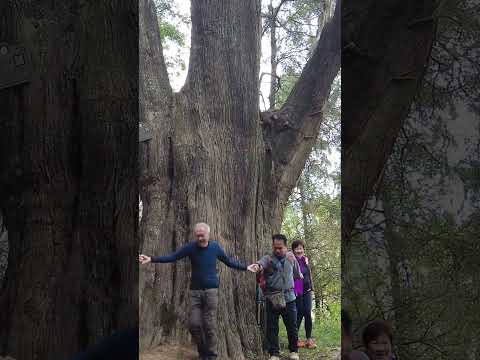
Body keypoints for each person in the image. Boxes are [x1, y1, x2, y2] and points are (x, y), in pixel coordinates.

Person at [139, 222, 258, 360]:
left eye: (202, 235)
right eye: (197, 235)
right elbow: (173, 256)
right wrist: (152, 259)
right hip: (195, 292)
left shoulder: (215, 247)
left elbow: (229, 261)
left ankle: (211, 356)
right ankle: (203, 352)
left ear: (208, 234)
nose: (200, 238)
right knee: (194, 324)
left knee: (210, 325)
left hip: (211, 292)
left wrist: (246, 267)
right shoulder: (191, 248)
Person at [253, 234, 303, 360]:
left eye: (280, 248)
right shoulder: (268, 258)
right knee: (272, 327)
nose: (277, 250)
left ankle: (294, 351)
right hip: (272, 298)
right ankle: (274, 353)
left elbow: (298, 276)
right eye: (275, 247)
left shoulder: (291, 258)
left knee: (292, 326)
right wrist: (257, 267)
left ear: (286, 247)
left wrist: (298, 292)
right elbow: (260, 264)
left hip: (289, 297)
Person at [291, 240, 316, 349]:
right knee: (299, 313)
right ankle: (295, 339)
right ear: (293, 250)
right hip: (297, 288)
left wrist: (312, 287)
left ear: (303, 250)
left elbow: (309, 274)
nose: (299, 250)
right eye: (297, 248)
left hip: (307, 289)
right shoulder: (292, 261)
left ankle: (309, 339)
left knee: (307, 313)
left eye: (301, 248)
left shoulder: (306, 260)